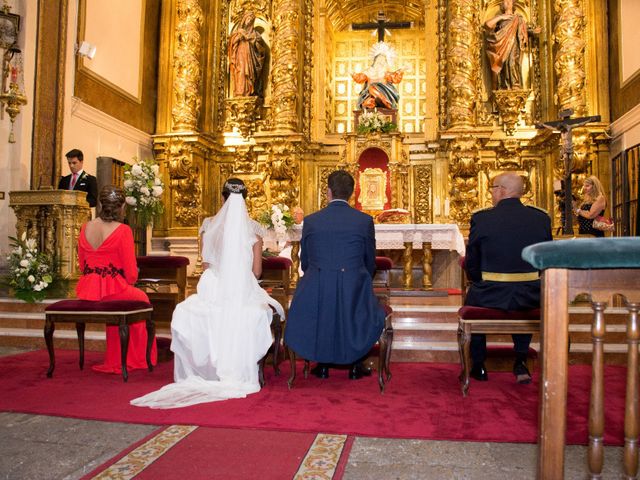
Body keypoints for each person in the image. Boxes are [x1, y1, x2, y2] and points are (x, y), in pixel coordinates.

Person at [131, 179, 284, 409]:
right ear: (245, 200)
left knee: (195, 311)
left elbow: (205, 265)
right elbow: (256, 271)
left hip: (212, 285)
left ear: (223, 199)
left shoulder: (208, 225)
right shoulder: (253, 229)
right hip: (241, 286)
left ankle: (207, 367)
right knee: (255, 313)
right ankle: (238, 367)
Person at [284, 170, 385, 380]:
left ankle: (322, 364)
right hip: (353, 282)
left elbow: (306, 260)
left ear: (328, 192)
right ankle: (355, 363)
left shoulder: (312, 221)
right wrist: (359, 276)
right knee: (358, 302)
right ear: (352, 193)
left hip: (318, 282)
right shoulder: (364, 221)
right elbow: (369, 260)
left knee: (321, 299)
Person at [464, 172, 552, 384]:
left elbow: (472, 261)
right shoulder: (540, 218)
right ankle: (520, 360)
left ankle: (479, 364)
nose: (492, 193)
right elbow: (546, 258)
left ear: (501, 190)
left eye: (493, 188)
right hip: (530, 295)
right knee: (523, 300)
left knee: (472, 298)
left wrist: (477, 281)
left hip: (489, 295)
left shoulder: (482, 219)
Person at [76, 185, 158, 374]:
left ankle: (115, 357)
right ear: (121, 207)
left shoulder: (85, 227)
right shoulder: (123, 230)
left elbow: (82, 265)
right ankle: (136, 359)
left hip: (88, 288)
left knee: (122, 303)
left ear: (101, 204)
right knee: (142, 299)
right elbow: (130, 275)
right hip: (113, 288)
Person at [484, 0, 539, 90]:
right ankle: (504, 86)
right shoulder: (500, 18)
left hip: (514, 45)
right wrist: (501, 17)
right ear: (502, 5)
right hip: (501, 46)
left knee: (512, 63)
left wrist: (533, 32)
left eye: (510, 1)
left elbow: (524, 30)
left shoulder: (518, 18)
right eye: (505, 1)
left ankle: (515, 84)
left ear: (513, 4)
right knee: (503, 65)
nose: (508, 2)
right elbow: (487, 25)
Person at [352, 43, 404, 110]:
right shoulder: (369, 71)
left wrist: (402, 69)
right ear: (375, 60)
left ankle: (385, 102)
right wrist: (353, 73)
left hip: (384, 93)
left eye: (383, 60)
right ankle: (372, 104)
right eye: (379, 60)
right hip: (369, 95)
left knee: (373, 87)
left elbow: (394, 78)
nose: (381, 62)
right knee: (370, 92)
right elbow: (360, 78)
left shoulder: (385, 72)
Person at [228, 11, 268, 97]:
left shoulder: (256, 35)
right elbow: (232, 43)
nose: (249, 20)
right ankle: (240, 92)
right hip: (240, 57)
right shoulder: (238, 32)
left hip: (250, 58)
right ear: (244, 20)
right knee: (241, 71)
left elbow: (261, 49)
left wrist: (250, 39)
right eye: (248, 18)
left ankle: (249, 91)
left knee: (248, 73)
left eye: (251, 19)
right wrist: (239, 37)